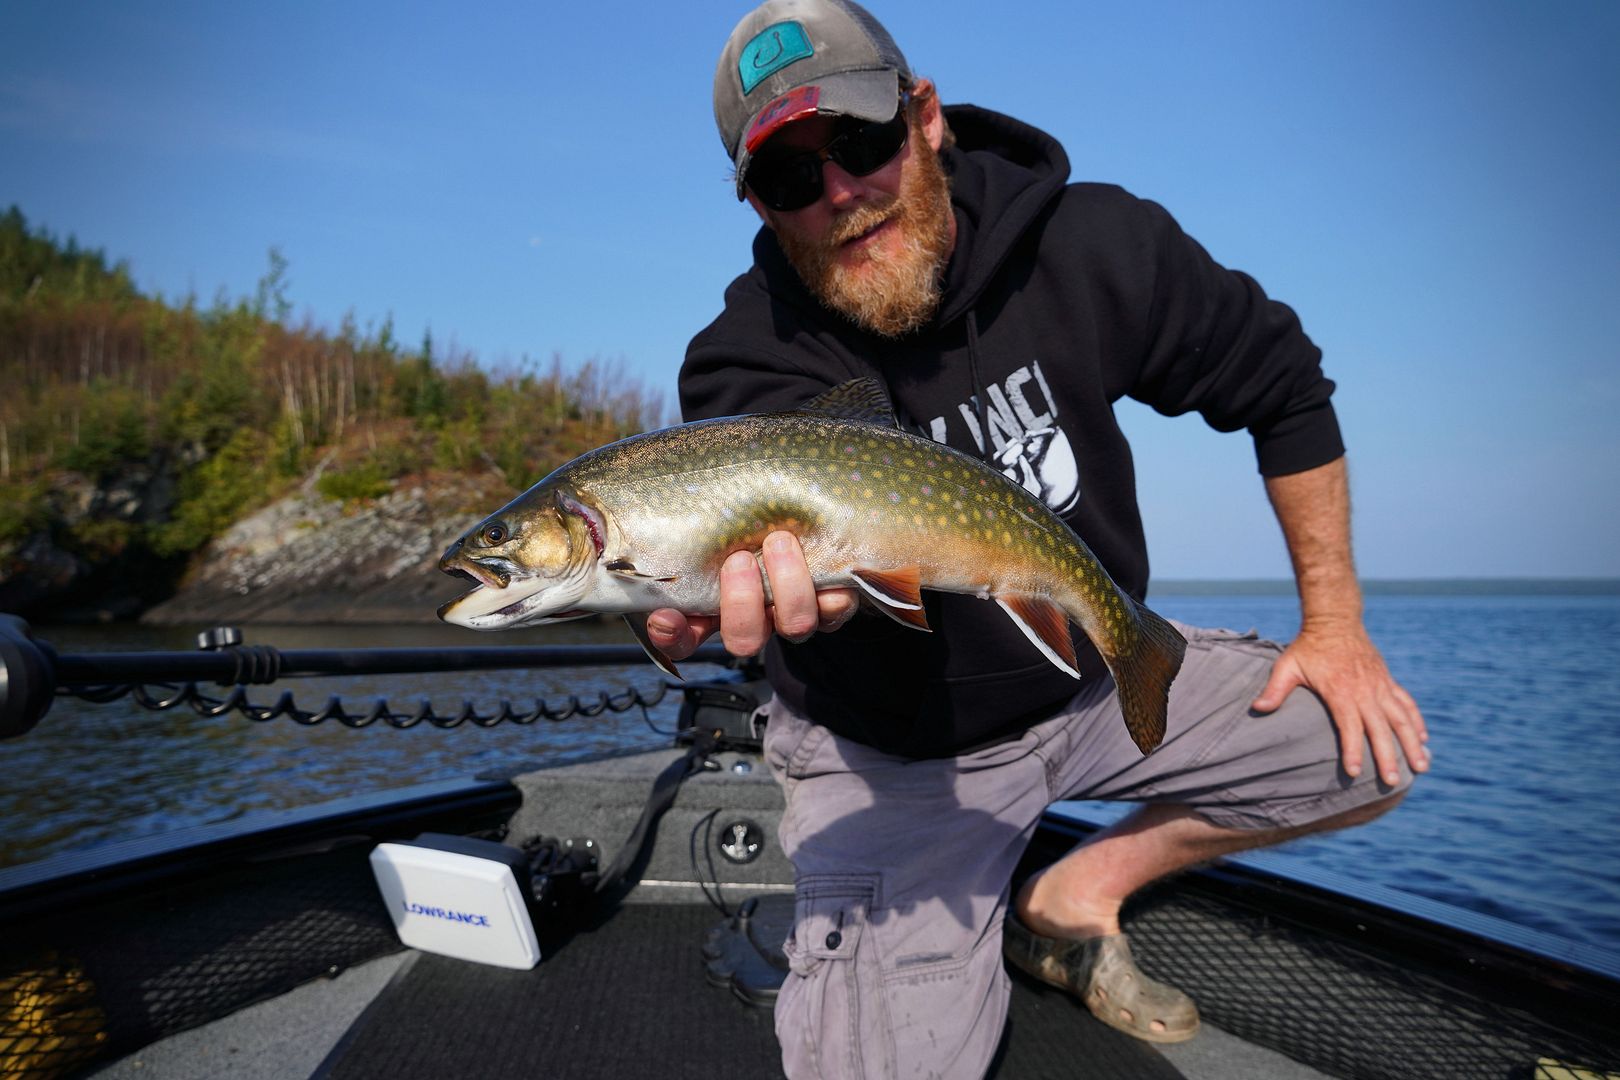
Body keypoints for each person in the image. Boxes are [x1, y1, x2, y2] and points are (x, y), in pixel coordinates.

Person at [646, 1, 1431, 1076]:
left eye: (862, 143)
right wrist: (743, 593)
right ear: (754, 201)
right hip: (898, 756)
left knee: (1366, 748)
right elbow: (752, 567)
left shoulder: (1093, 242)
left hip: (1091, 679)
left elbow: (1287, 388)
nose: (839, 193)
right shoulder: (746, 361)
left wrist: (1334, 626)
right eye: (789, 177)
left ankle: (1074, 894)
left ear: (924, 117)